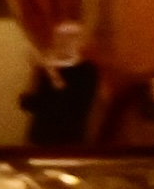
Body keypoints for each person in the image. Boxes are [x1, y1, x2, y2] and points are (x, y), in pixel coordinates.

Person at [19, 20, 100, 150]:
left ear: (81, 41)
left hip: (70, 140)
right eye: (60, 36)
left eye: (70, 37)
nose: (64, 41)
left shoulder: (87, 70)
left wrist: (51, 71)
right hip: (39, 139)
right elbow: (29, 105)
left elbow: (70, 102)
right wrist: (36, 73)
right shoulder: (46, 68)